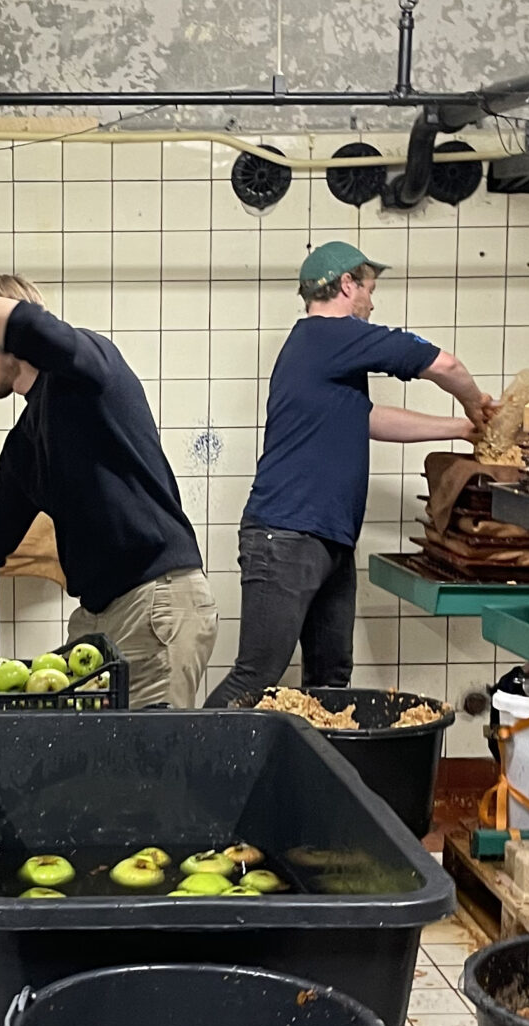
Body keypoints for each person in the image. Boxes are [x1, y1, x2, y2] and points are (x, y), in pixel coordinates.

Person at [0, 264, 218, 708]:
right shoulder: (25, 445)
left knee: (149, 770)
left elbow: (31, 326)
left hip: (155, 605)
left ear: (2, 338)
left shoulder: (89, 371)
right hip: (99, 617)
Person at [206, 238, 490, 709]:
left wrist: (462, 429)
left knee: (331, 681)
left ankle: (319, 780)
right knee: (255, 677)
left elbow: (369, 419)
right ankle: (183, 777)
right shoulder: (329, 334)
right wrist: (476, 405)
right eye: (369, 289)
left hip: (327, 538)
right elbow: (446, 365)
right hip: (287, 535)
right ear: (346, 284)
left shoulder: (321, 353)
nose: (372, 303)